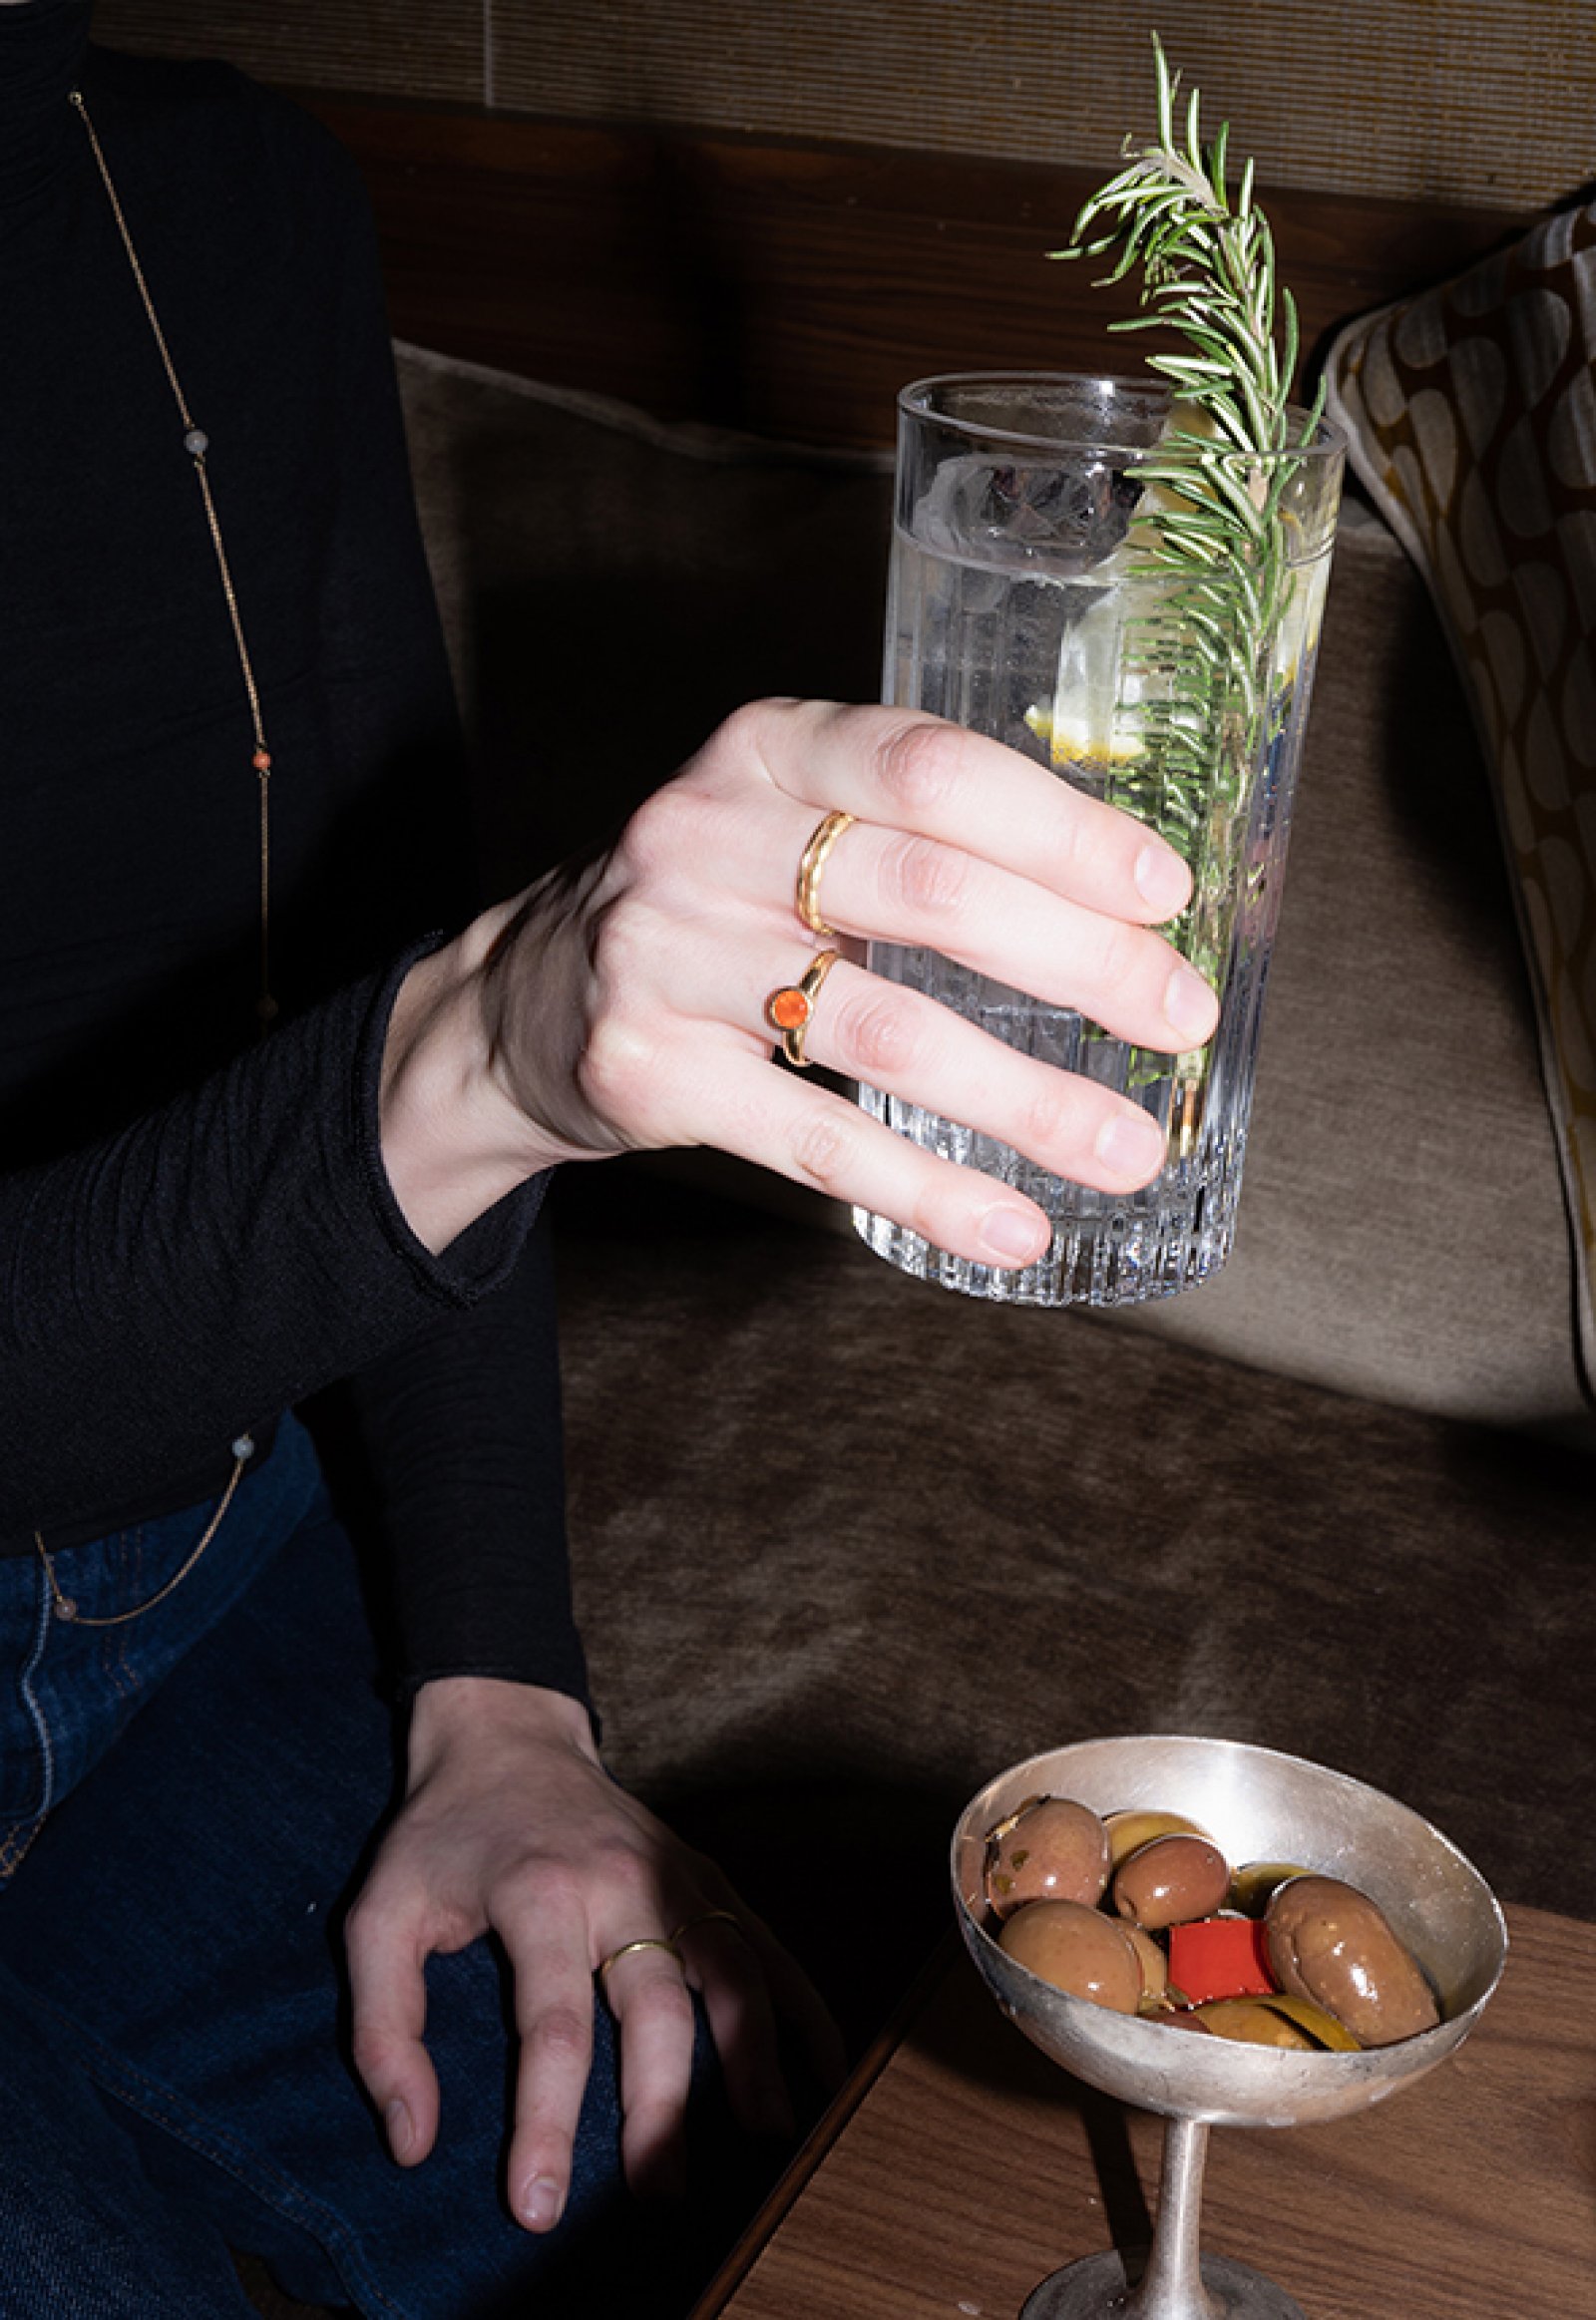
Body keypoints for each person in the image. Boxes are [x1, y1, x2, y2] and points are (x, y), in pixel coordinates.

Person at [0, 6, 1217, 2315]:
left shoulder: (226, 185)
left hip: (217, 1563)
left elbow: (374, 903)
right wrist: (478, 1049)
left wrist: (498, 1687)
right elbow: (438, 1023)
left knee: (783, 2203)